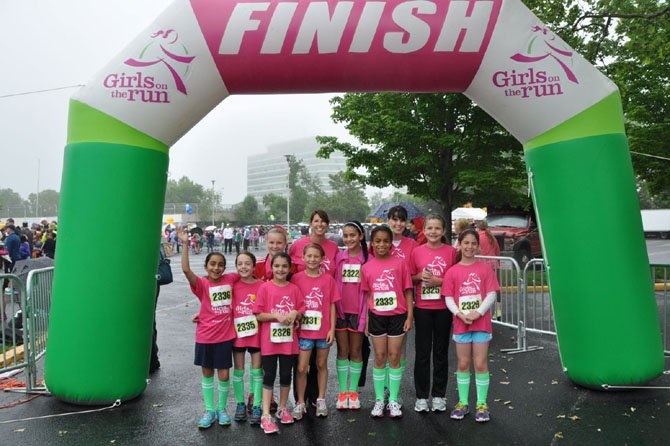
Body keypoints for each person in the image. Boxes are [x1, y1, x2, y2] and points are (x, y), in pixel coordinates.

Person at [178, 228, 238, 429]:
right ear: (206, 266)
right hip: (204, 337)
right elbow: (186, 271)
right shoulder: (202, 285)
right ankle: (209, 410)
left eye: (221, 265)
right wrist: (185, 244)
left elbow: (249, 276)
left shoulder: (231, 279)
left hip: (224, 337)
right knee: (207, 374)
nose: (217, 268)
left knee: (224, 375)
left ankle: (221, 409)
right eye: (212, 264)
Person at [442, 229, 500, 423]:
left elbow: (491, 294)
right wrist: (459, 314)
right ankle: (463, 403)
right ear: (460, 244)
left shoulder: (485, 269)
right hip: (461, 324)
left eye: (473, 243)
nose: (469, 246)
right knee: (463, 364)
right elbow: (449, 298)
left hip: (481, 324)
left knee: (480, 363)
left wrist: (478, 312)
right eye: (465, 243)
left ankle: (482, 404)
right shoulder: (452, 271)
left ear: (478, 245)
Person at [363, 225, 413, 419]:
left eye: (385, 240)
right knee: (380, 357)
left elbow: (408, 290)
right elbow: (368, 296)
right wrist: (367, 320)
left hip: (397, 316)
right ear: (372, 243)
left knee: (394, 357)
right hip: (376, 317)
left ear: (391, 243)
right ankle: (378, 400)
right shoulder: (366, 267)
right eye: (378, 241)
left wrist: (409, 315)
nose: (382, 244)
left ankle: (393, 399)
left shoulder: (400, 264)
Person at [410, 214, 457, 413]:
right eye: (430, 228)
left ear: (444, 231)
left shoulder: (452, 252)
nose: (433, 232)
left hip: (443, 309)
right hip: (422, 309)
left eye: (437, 228)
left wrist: (441, 282)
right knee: (421, 354)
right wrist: (420, 276)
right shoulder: (416, 252)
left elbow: (457, 278)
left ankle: (439, 395)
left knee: (440, 353)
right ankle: (421, 397)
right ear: (424, 230)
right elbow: (410, 278)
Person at [253, 253, 304, 434]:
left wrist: (295, 313)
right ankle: (266, 414)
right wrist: (276, 315)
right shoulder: (265, 288)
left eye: (284, 266)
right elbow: (258, 314)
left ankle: (282, 408)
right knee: (269, 375)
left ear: (289, 268)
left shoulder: (294, 289)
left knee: (285, 375)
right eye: (277, 266)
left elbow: (301, 308)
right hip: (269, 342)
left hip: (288, 342)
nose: (280, 270)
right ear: (271, 268)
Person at [291, 244, 340, 420]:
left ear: (322, 259)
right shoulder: (296, 279)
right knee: (302, 367)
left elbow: (332, 305)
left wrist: (332, 329)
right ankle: (301, 401)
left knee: (321, 365)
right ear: (303, 257)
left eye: (316, 256)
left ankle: (320, 399)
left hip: (323, 331)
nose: (312, 259)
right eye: (309, 256)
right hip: (304, 332)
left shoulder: (328, 280)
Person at [334, 221, 369, 410]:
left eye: (353, 235)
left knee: (356, 352)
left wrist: (366, 317)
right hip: (341, 311)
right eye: (346, 236)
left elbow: (370, 290)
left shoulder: (368, 260)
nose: (349, 239)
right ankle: (342, 392)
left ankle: (353, 392)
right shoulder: (339, 258)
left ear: (361, 236)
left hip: (359, 312)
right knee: (342, 352)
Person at [230, 251, 264, 425]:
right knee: (239, 369)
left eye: (247, 263)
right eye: (240, 264)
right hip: (238, 336)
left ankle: (257, 405)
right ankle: (240, 404)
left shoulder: (262, 285)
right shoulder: (233, 285)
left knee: (257, 369)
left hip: (257, 336)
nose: (243, 267)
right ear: (236, 266)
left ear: (253, 266)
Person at [288, 210, 339, 277]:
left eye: (323, 221)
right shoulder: (297, 245)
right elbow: (288, 271)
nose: (320, 224)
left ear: (327, 224)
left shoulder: (334, 247)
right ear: (311, 224)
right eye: (316, 221)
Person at [477, 220, 502, 320]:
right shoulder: (491, 237)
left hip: (482, 265)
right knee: (495, 289)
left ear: (478, 227)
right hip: (494, 265)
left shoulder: (477, 237)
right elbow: (497, 251)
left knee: (482, 289)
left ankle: (483, 311)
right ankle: (498, 311)